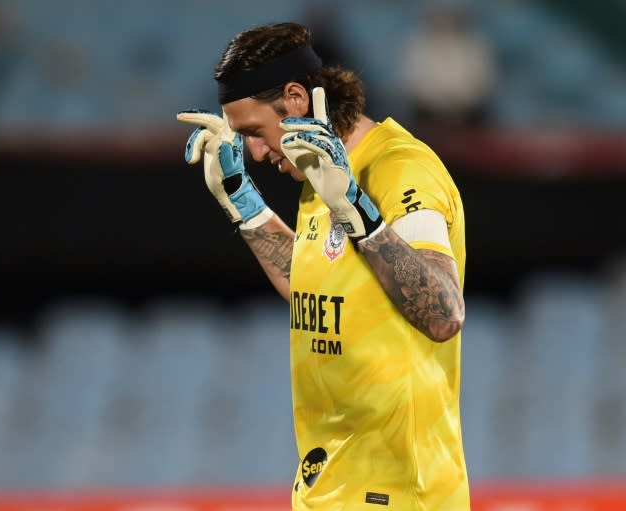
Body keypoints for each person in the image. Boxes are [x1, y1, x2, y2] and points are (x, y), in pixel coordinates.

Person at [177, 22, 469, 511]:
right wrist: (246, 206)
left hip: (397, 493)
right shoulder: (320, 179)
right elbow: (318, 292)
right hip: (328, 488)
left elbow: (443, 313)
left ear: (295, 99)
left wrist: (359, 212)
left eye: (253, 131)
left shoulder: (400, 170)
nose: (253, 151)